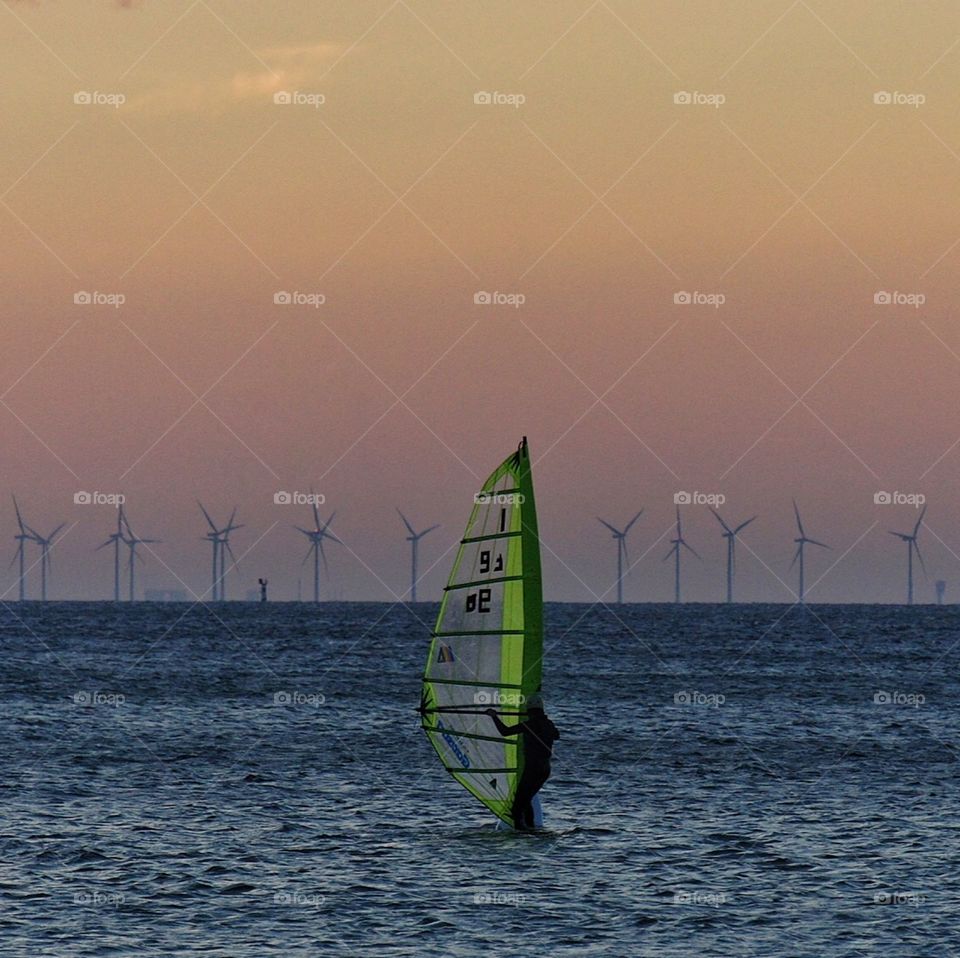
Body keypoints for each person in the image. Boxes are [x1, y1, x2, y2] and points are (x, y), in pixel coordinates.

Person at [485, 693, 559, 830]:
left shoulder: (529, 725)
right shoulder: (548, 724)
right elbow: (556, 735)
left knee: (517, 808)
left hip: (532, 769)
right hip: (545, 770)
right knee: (526, 800)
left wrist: (494, 716)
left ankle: (523, 833)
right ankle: (532, 830)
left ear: (529, 711)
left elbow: (505, 731)